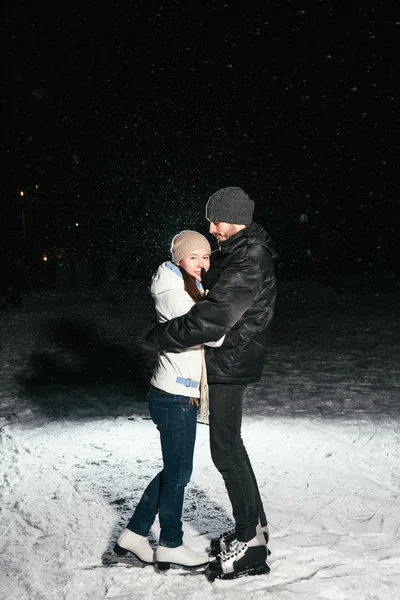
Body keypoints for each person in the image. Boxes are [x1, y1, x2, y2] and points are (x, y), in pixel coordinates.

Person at [145, 187, 277, 580]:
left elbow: (210, 320)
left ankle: (250, 544)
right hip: (228, 358)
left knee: (225, 448)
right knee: (230, 445)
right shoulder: (239, 253)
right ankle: (256, 529)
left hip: (229, 361)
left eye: (215, 220)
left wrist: (158, 335)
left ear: (234, 218)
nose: (211, 228)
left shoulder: (249, 259)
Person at [113, 231, 224, 571]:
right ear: (179, 259)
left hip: (179, 392)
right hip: (173, 394)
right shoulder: (172, 294)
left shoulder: (189, 288)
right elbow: (214, 334)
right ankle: (170, 543)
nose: (202, 263)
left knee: (176, 470)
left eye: (206, 257)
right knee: (178, 474)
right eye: (194, 257)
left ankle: (134, 533)